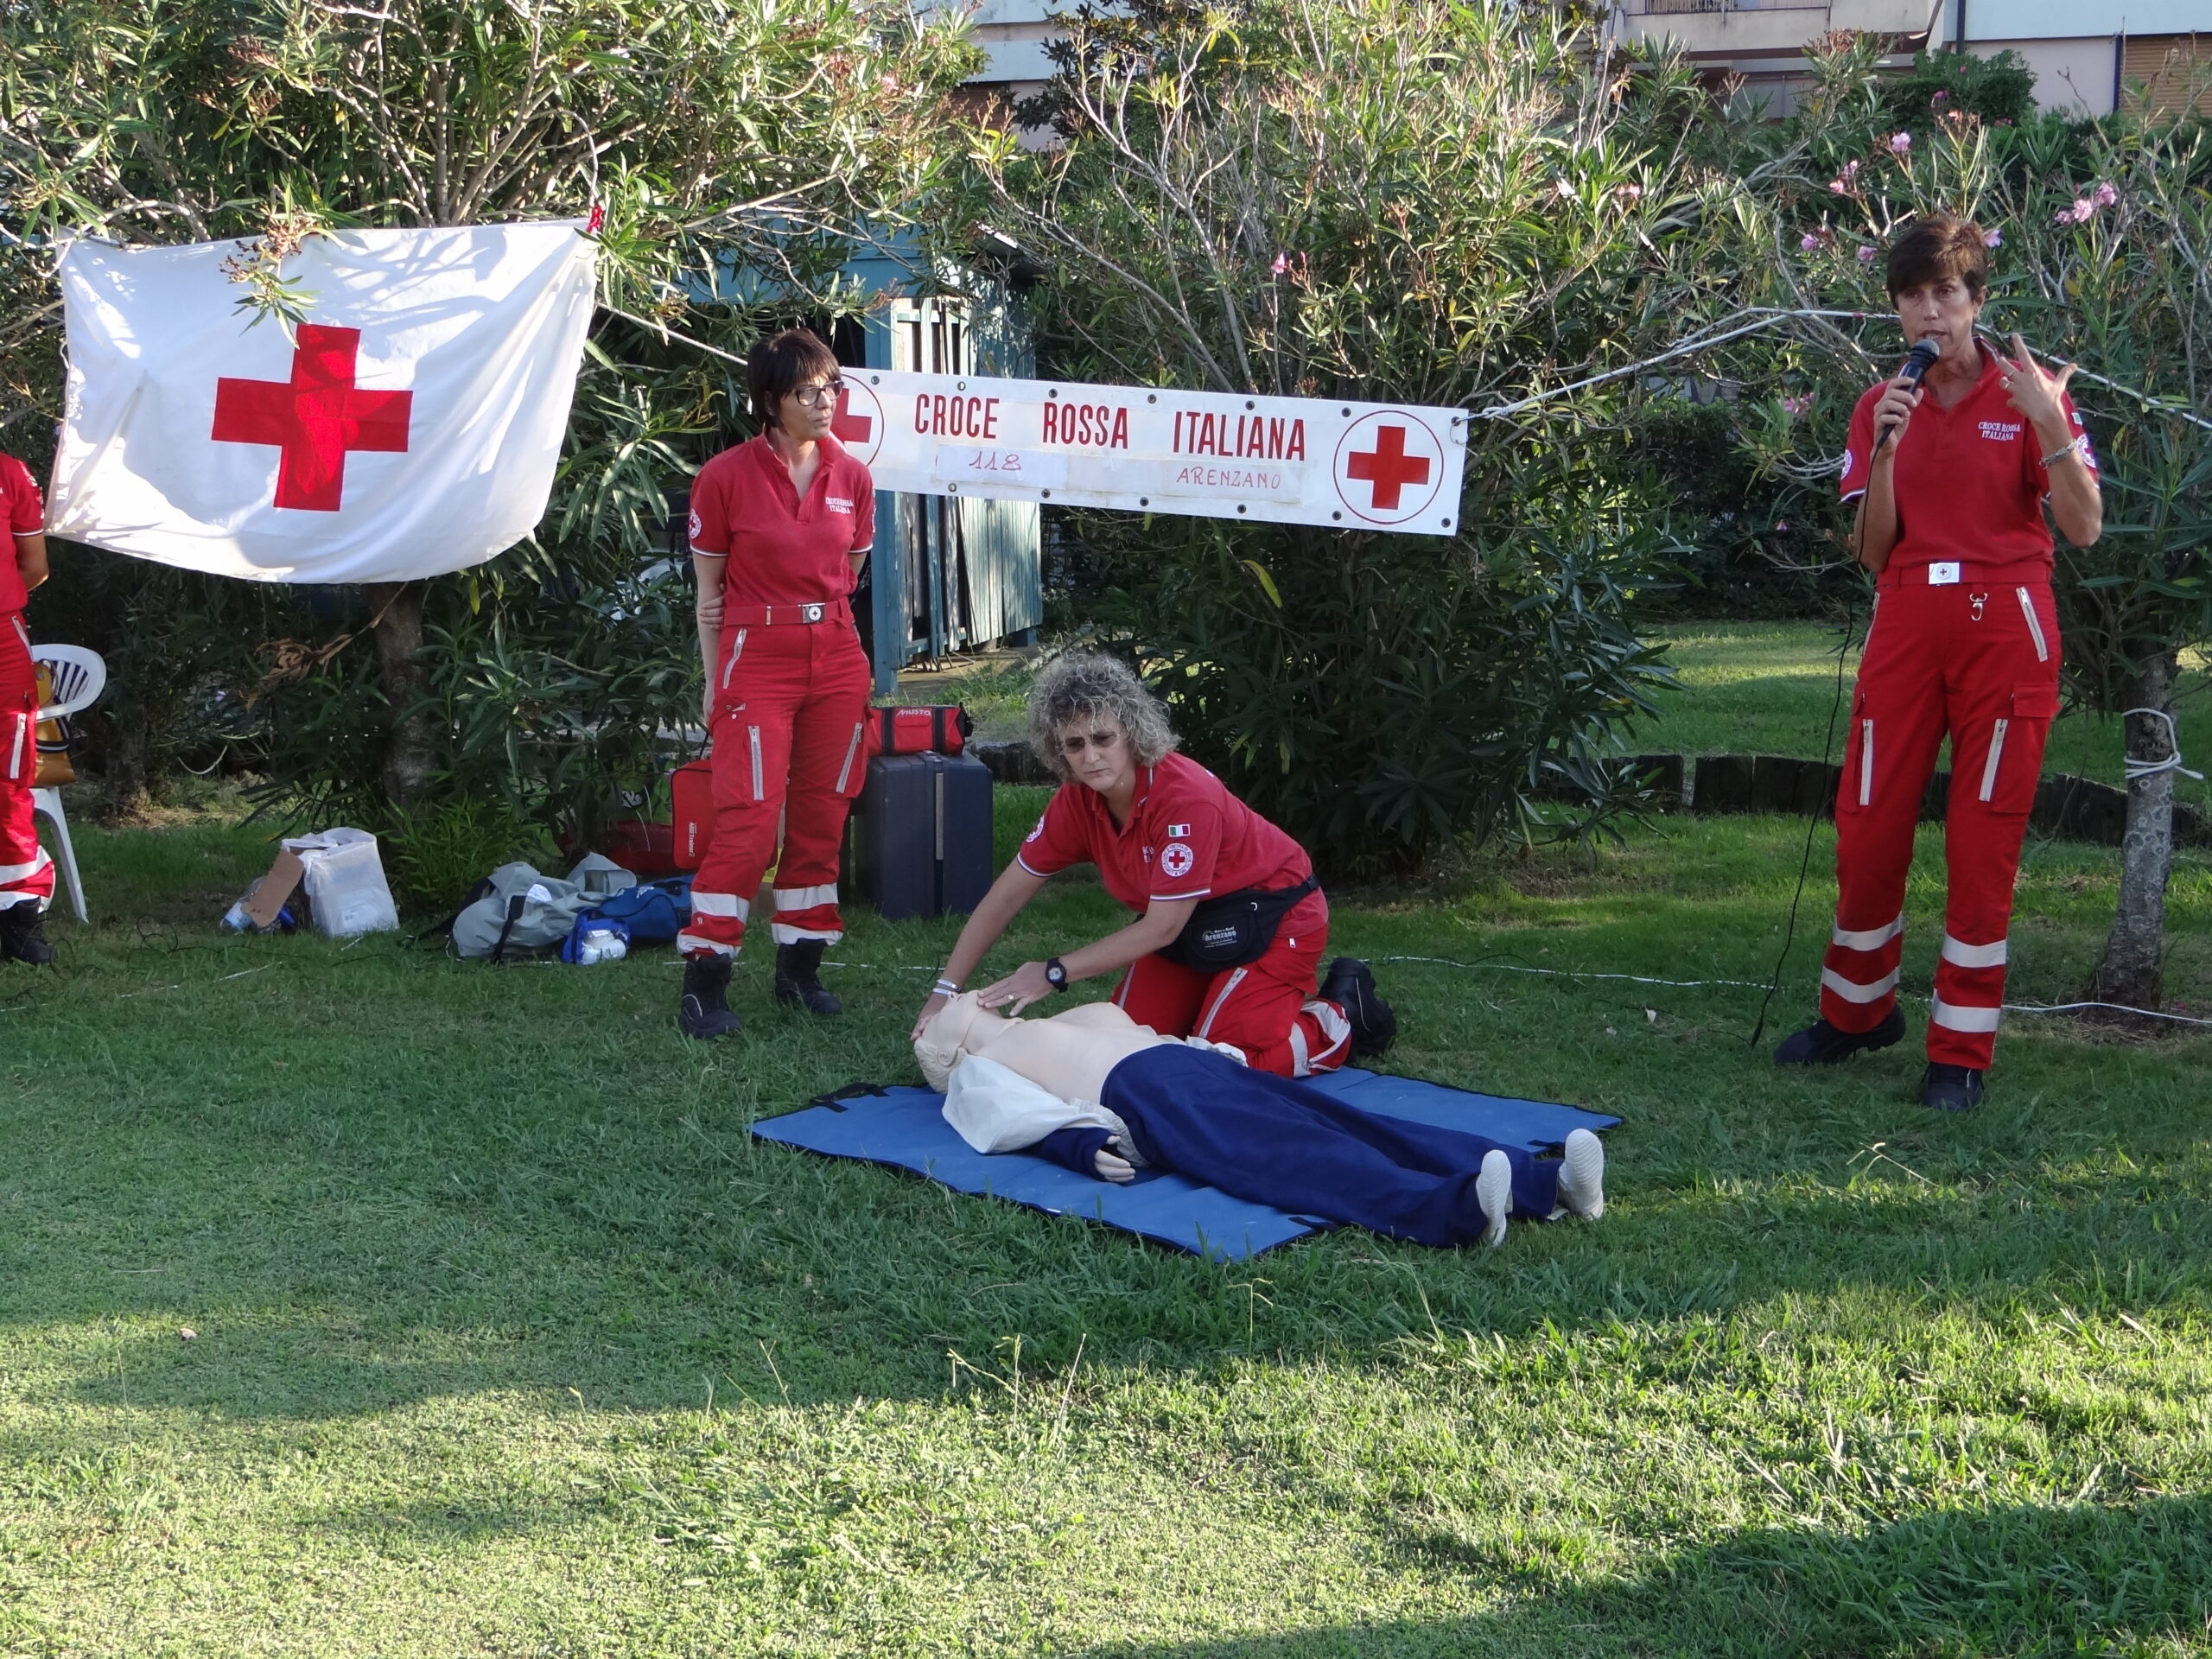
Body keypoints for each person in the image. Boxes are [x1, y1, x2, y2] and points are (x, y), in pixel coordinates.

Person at [1775, 214, 2101, 1110]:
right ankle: (1856, 1014)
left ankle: (1959, 1050)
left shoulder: (2029, 395)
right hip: (1908, 620)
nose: (1929, 312)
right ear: (1896, 310)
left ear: (1975, 300)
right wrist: (1886, 446)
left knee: (1982, 835)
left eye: (1945, 292)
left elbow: (2083, 528)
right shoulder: (1880, 405)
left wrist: (2050, 425)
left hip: (2007, 625)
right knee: (1869, 820)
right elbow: (1872, 551)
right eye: (1912, 296)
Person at [909, 653, 1395, 1077]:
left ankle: (1339, 1019)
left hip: (1274, 913)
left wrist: (1054, 971)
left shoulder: (1186, 798)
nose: (1091, 756)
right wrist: (944, 991)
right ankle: (1215, 1007)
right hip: (1192, 921)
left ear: (1132, 734)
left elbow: (1162, 927)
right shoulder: (1076, 801)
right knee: (1123, 1051)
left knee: (1220, 1064)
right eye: (1074, 744)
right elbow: (1006, 895)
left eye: (1103, 737)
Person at [916, 992, 1605, 1249]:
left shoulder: (1060, 1020)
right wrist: (1079, 1146)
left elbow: (1135, 1026)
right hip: (1151, 1098)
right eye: (951, 1009)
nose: (964, 996)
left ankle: (1543, 1182)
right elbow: (1008, 1118)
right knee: (1295, 1157)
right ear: (945, 1049)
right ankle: (1456, 1212)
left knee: (1351, 1123)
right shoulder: (980, 1069)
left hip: (1194, 1068)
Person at [675, 329, 875, 1039]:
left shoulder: (853, 476)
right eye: (806, 391)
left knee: (823, 813)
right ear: (770, 400)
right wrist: (714, 680)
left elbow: (848, 574)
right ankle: (705, 981)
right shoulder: (724, 477)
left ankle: (801, 969)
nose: (825, 402)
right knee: (749, 820)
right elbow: (709, 597)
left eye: (832, 387)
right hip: (754, 657)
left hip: (838, 657)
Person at [1, 450, 54, 964]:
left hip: (2, 641)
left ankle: (16, 916)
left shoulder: (10, 473)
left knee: (7, 781)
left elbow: (33, 568)